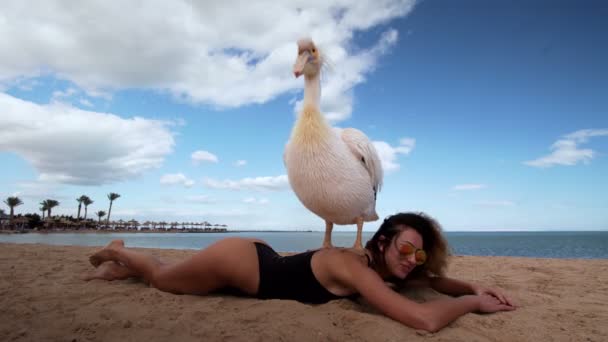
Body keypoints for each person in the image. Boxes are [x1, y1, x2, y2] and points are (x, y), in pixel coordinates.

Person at [84, 212, 516, 332]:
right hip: (237, 263)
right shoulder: (354, 266)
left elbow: (431, 282)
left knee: (172, 277)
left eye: (419, 256)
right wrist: (471, 303)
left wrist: (471, 283)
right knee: (162, 277)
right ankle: (117, 249)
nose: (411, 261)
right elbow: (422, 320)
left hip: (259, 262)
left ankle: (121, 271)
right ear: (382, 243)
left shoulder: (377, 266)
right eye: (407, 249)